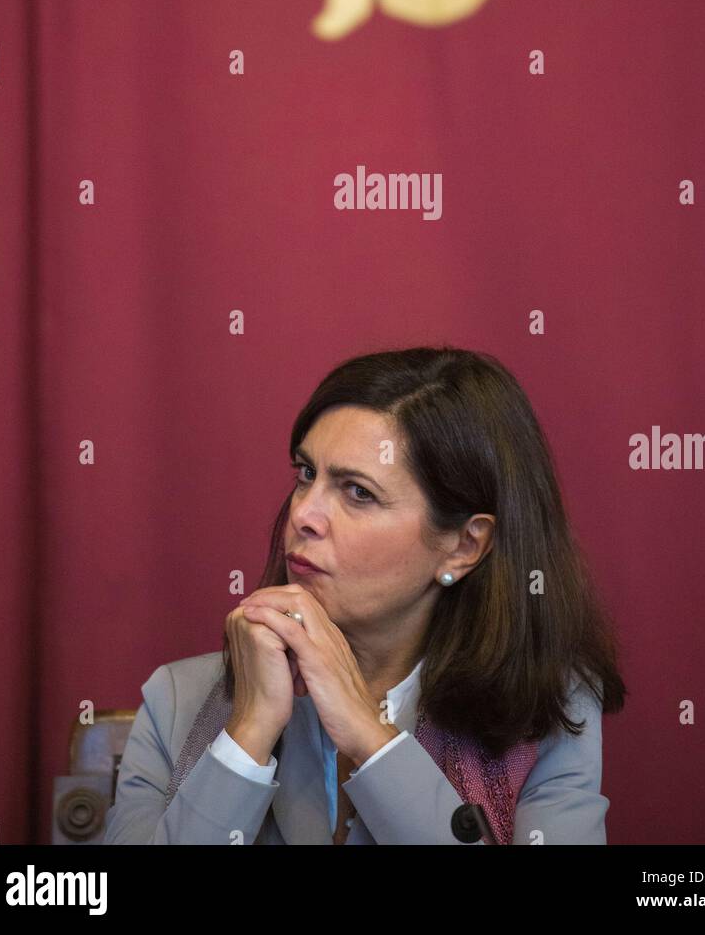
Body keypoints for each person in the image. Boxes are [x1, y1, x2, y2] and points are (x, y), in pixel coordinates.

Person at [104, 345, 626, 845]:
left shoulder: (550, 712)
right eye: (306, 474)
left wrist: (368, 736)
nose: (303, 514)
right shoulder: (176, 699)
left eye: (359, 492)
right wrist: (248, 732)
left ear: (464, 546)